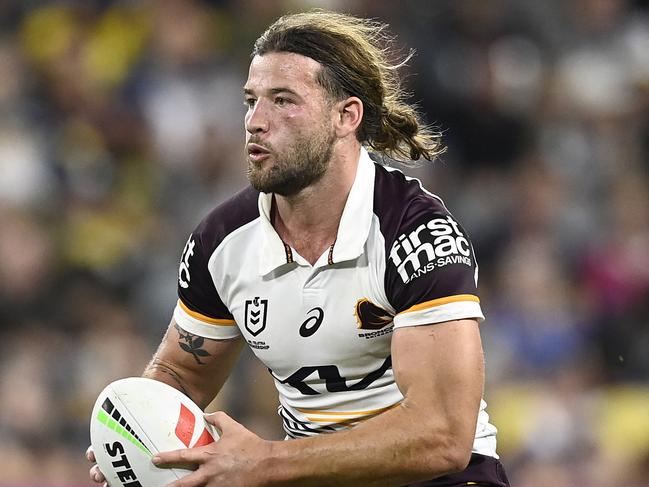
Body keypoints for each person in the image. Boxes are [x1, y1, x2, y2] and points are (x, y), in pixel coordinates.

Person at [88, 10, 509, 487]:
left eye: (283, 100)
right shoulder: (221, 241)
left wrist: (265, 462)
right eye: (250, 101)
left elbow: (443, 437)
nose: (255, 122)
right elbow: (181, 371)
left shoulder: (417, 234)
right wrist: (136, 437)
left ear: (346, 116)